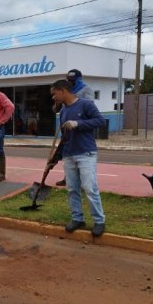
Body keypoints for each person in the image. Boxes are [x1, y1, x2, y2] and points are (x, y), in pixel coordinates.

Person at [49, 79, 106, 237]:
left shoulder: (85, 104)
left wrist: (78, 124)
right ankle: (77, 218)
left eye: (54, 94)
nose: (53, 98)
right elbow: (64, 137)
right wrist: (55, 158)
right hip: (69, 155)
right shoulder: (64, 112)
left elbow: (100, 121)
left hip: (86, 153)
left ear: (63, 90)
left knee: (90, 188)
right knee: (72, 189)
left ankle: (99, 221)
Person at [54, 69, 95, 187]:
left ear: (78, 79)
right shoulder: (64, 91)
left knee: (81, 156)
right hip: (66, 127)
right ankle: (67, 177)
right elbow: (55, 110)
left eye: (72, 80)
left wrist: (73, 99)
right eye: (68, 80)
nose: (70, 82)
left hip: (80, 128)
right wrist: (57, 103)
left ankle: (83, 181)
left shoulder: (86, 90)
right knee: (68, 154)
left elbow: (89, 107)